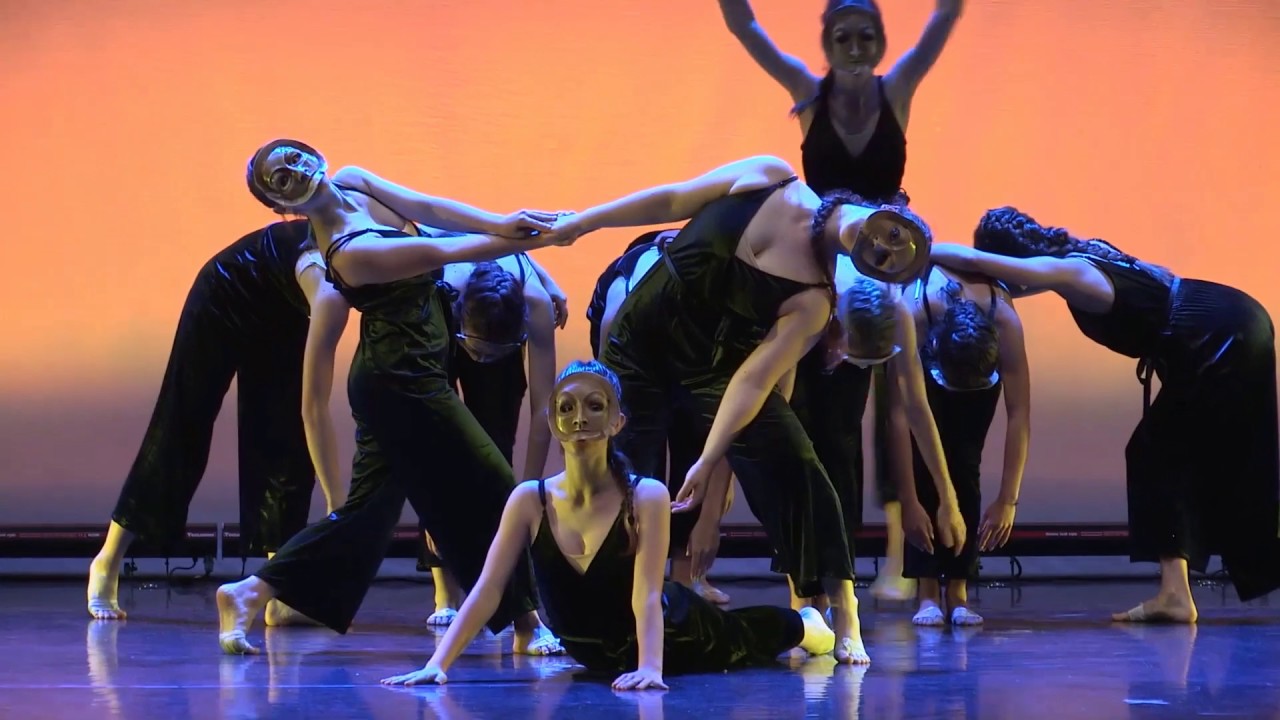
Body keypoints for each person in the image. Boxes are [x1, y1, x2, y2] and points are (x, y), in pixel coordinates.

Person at [547, 154, 969, 664]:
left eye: (888, 260)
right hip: (643, 341)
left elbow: (751, 380)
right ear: (891, 215)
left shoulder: (814, 300)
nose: (882, 248)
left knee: (798, 463)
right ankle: (603, 604)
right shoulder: (773, 176)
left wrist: (707, 459)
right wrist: (583, 222)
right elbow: (676, 197)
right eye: (894, 238)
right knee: (616, 470)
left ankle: (843, 607)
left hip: (715, 366)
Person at [214, 138, 565, 655]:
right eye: (279, 178)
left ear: (313, 156)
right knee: (494, 485)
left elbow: (428, 209)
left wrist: (498, 220)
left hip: (408, 372)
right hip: (400, 378)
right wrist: (511, 239)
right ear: (282, 206)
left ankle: (248, 593)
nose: (292, 170)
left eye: (292, 158)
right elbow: (442, 249)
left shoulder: (355, 180)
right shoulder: (345, 251)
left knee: (367, 515)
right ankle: (529, 623)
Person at [380, 360, 836, 690]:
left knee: (738, 640)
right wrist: (438, 663)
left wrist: (651, 667)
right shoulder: (530, 499)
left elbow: (647, 593)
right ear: (554, 423)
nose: (580, 418)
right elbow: (488, 588)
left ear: (617, 421)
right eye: (567, 408)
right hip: (591, 653)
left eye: (594, 406)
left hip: (669, 635)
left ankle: (804, 624)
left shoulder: (646, 495)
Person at [718, 0, 965, 596]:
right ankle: (803, 574)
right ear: (827, 44)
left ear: (880, 44)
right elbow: (744, 26)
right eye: (843, 38)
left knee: (859, 423)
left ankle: (862, 565)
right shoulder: (808, 91)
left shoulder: (897, 89)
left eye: (866, 38)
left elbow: (944, 18)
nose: (855, 49)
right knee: (801, 416)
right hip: (818, 270)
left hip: (879, 266)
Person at [929, 206, 1280, 622]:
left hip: (1221, 336)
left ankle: (1175, 595)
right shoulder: (1085, 257)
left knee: (1157, 452)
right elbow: (1021, 282)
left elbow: (971, 261)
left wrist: (912, 246)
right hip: (1235, 320)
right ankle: (1177, 591)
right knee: (1214, 455)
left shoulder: (1074, 274)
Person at [88, 219, 328, 622]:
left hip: (285, 309)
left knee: (285, 442)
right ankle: (107, 560)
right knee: (181, 424)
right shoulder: (347, 228)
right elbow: (317, 401)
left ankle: (276, 588)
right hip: (226, 290)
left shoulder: (392, 252)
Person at [588, 230, 737, 605]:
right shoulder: (623, 307)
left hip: (690, 336)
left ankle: (687, 576)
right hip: (631, 354)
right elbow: (609, 396)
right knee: (636, 459)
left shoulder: (725, 308)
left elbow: (724, 423)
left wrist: (710, 521)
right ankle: (635, 574)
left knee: (694, 445)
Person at [422, 253, 568, 626]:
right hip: (448, 335)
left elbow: (542, 408)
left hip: (496, 332)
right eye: (478, 350)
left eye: (491, 352)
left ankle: (499, 588)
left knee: (495, 453)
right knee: (437, 462)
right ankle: (445, 594)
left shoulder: (533, 305)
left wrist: (530, 492)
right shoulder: (441, 289)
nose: (481, 358)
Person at [897, 262, 1030, 626]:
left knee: (965, 463)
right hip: (928, 373)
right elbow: (899, 417)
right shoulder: (916, 313)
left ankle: (958, 590)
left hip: (975, 373)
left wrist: (1008, 498)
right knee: (925, 464)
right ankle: (926, 590)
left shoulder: (1005, 322)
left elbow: (1019, 413)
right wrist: (908, 501)